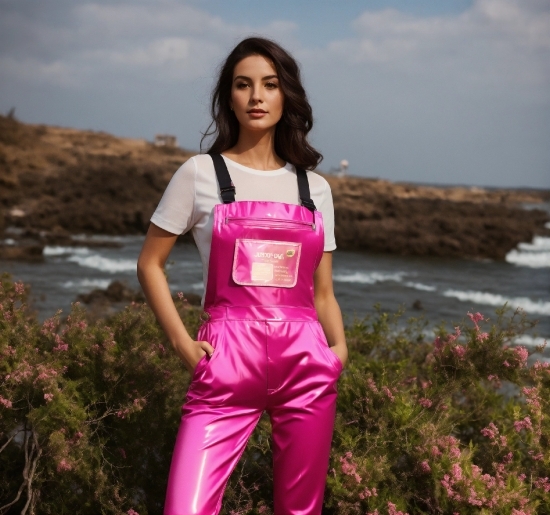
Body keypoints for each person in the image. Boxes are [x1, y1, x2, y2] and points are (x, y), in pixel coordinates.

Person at [137, 36, 348, 515]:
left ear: (285, 95)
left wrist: (337, 351)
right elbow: (150, 263)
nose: (256, 96)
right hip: (225, 363)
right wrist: (181, 345)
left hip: (307, 365)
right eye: (243, 85)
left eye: (269, 85)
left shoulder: (314, 188)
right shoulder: (199, 174)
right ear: (228, 97)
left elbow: (324, 291)